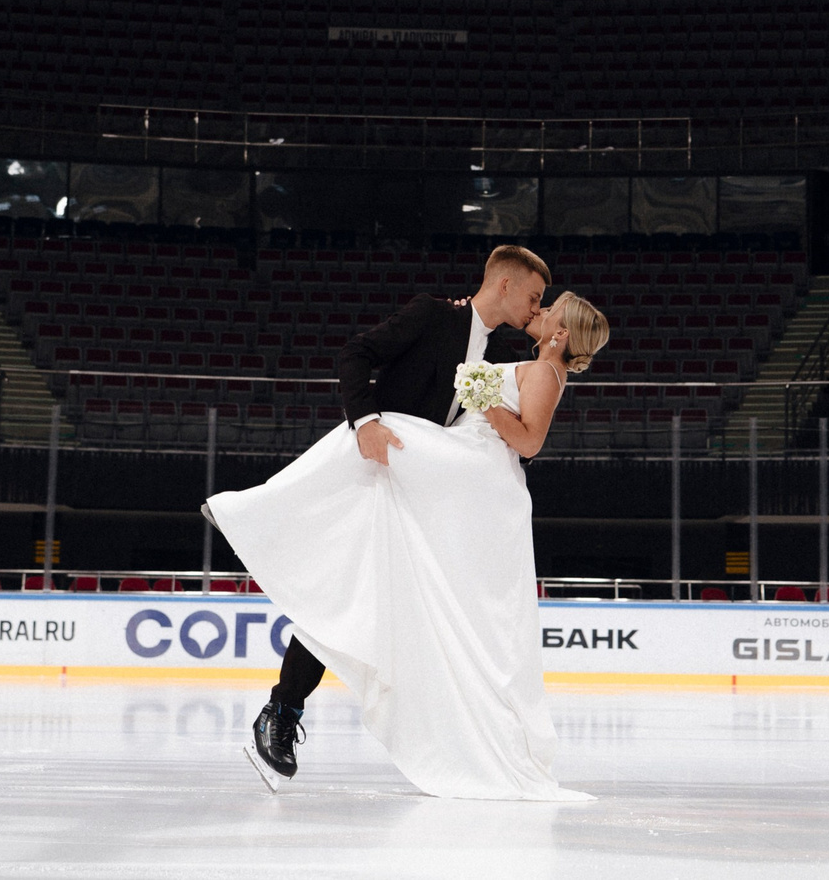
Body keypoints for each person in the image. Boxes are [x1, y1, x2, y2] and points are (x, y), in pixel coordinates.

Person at [203, 271, 610, 801]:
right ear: (506, 285)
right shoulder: (442, 317)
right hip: (426, 477)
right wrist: (367, 418)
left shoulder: (538, 366)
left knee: (378, 533)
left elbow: (526, 438)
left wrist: (481, 396)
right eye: (536, 297)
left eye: (547, 306)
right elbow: (359, 355)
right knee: (358, 572)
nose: (539, 307)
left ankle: (260, 514)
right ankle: (261, 518)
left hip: (456, 484)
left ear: (560, 332)